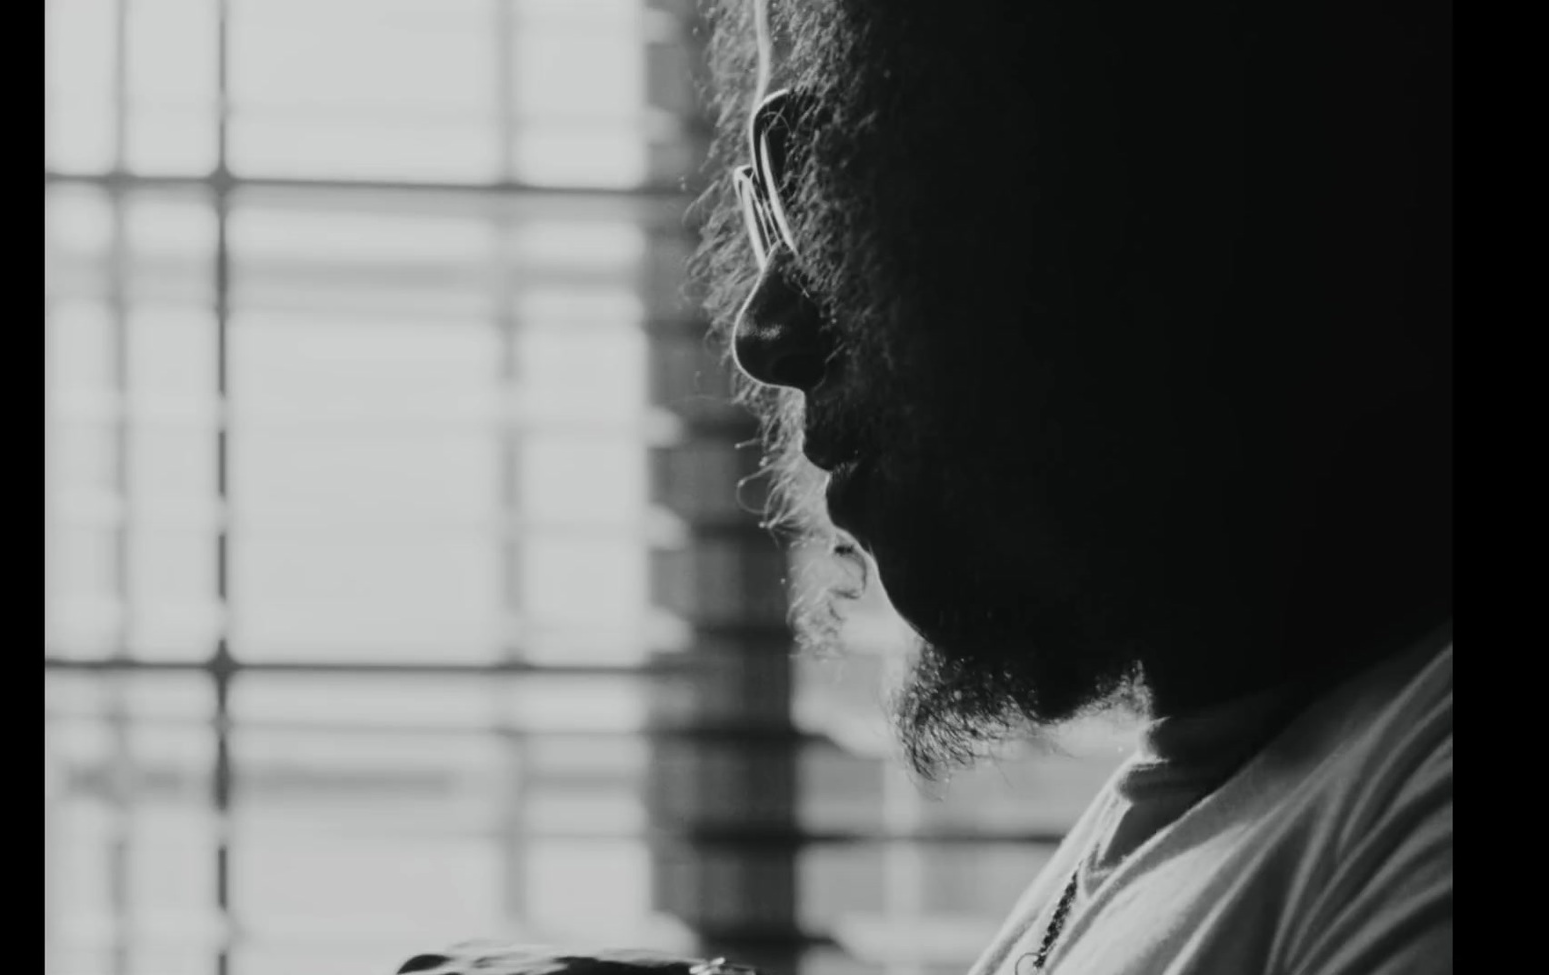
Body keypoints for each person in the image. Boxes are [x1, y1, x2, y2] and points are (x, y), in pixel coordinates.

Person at [396, 0, 1451, 972]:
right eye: (776, 200)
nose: (764, 335)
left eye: (825, 182)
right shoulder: (1208, 797)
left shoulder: (1415, 797)